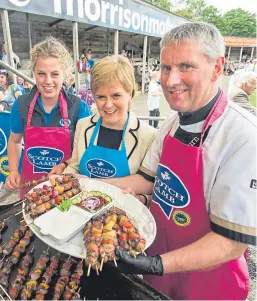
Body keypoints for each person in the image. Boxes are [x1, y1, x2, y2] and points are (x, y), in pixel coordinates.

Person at [102, 22, 256, 300]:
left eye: (186, 66)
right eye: (165, 67)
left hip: (208, 284)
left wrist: (156, 264)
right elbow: (148, 182)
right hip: (159, 274)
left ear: (218, 68)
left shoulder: (242, 136)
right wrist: (86, 184)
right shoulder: (171, 124)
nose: (170, 80)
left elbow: (230, 243)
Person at [5, 37, 91, 197]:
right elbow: (15, 140)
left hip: (65, 191)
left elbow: (84, 152)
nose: (48, 81)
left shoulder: (79, 108)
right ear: (34, 73)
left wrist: (66, 164)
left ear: (65, 74)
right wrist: (13, 171)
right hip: (30, 189)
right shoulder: (21, 104)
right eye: (41, 74)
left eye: (55, 74)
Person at [60, 55, 156, 184]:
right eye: (101, 97)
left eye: (116, 95)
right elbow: (75, 166)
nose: (108, 104)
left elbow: (148, 185)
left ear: (130, 94)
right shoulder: (83, 125)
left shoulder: (148, 136)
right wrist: (63, 180)